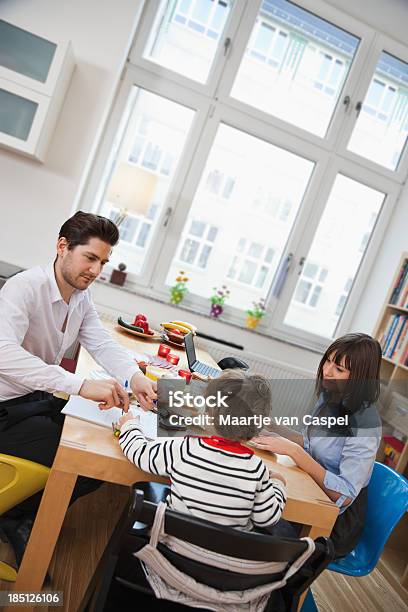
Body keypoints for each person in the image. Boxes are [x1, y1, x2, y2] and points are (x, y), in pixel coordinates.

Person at [0, 211, 157, 566]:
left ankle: (20, 513)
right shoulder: (25, 287)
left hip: (30, 400)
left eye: (103, 261)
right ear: (62, 247)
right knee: (90, 460)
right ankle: (15, 516)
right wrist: (81, 386)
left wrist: (135, 377)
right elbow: (3, 353)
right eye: (90, 258)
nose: (96, 270)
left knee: (105, 446)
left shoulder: (80, 297)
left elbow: (100, 342)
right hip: (5, 409)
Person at [252, 333, 382, 557]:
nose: (328, 371)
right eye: (328, 361)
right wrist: (268, 426)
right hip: (312, 489)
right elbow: (310, 444)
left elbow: (345, 494)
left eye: (339, 369)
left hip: (334, 523)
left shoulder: (365, 424)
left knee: (255, 513)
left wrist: (293, 451)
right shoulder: (331, 397)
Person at [117, 369, 287, 531]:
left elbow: (140, 454)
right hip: (223, 560)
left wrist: (129, 426)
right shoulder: (256, 470)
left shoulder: (186, 449)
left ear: (209, 414)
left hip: (167, 553)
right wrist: (278, 484)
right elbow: (267, 518)